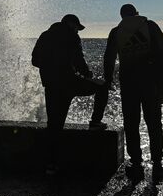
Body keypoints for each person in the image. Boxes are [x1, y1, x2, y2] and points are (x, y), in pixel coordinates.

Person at [32, 14, 109, 175]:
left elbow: (35, 60)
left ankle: (51, 165)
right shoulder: (71, 36)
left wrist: (49, 67)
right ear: (70, 24)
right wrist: (88, 75)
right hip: (70, 83)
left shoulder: (45, 35)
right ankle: (95, 121)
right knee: (102, 88)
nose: (77, 31)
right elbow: (79, 60)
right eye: (77, 27)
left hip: (51, 85)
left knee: (54, 125)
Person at [103, 4, 163, 183]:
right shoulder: (150, 26)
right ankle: (157, 163)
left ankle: (136, 163)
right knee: (154, 122)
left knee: (131, 123)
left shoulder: (116, 31)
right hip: (150, 81)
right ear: (136, 13)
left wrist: (108, 79)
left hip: (128, 83)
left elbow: (109, 57)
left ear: (122, 16)